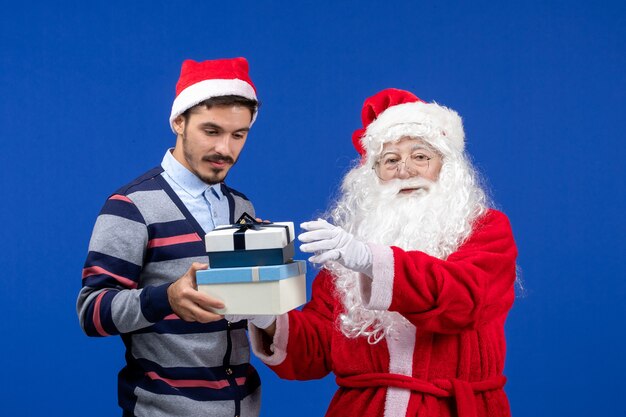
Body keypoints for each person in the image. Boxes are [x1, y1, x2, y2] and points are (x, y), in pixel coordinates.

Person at [245, 88, 518, 417]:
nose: (405, 170)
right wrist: (266, 317)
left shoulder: (485, 229)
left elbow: (465, 298)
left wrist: (371, 261)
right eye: (390, 160)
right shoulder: (351, 246)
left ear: (447, 167)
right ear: (372, 176)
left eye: (420, 156)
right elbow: (317, 350)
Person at [77, 57, 267, 417]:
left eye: (238, 134)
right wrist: (165, 299)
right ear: (179, 122)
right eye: (211, 131)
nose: (226, 149)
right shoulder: (131, 206)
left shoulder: (243, 207)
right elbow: (92, 312)